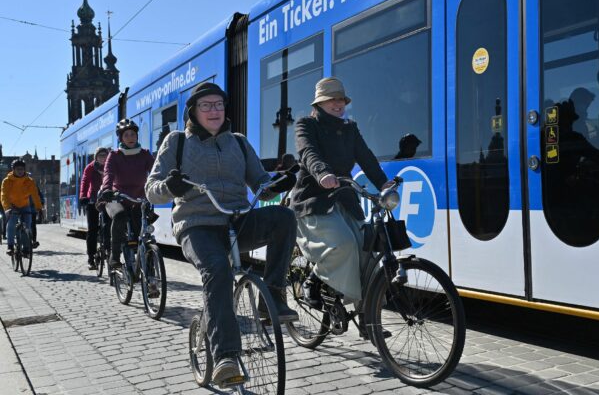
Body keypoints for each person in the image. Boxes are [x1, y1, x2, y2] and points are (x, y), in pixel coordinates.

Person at [145, 81, 298, 386]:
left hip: (237, 220)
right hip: (196, 225)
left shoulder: (238, 143)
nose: (214, 111)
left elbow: (259, 182)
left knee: (284, 217)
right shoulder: (176, 143)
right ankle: (226, 357)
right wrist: (170, 187)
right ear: (194, 111)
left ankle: (273, 298)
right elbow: (152, 191)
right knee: (217, 269)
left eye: (219, 105)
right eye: (206, 105)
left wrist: (277, 182)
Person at [290, 77, 393, 338]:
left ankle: (371, 322)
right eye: (332, 99)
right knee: (343, 244)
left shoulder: (350, 128)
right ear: (320, 102)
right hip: (313, 199)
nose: (338, 104)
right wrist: (322, 173)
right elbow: (308, 152)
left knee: (369, 251)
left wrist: (383, 184)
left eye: (341, 99)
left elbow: (366, 158)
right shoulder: (306, 124)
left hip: (345, 199)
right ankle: (315, 280)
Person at [99, 119, 154, 269]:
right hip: (117, 197)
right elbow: (108, 173)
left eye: (133, 134)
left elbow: (156, 171)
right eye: (126, 135)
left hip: (138, 198)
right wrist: (107, 190)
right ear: (121, 138)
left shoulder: (144, 154)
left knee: (143, 231)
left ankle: (148, 266)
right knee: (120, 216)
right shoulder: (114, 155)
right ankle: (114, 256)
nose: (130, 138)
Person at [1, 159, 42, 255]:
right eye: (18, 169)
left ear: (24, 169)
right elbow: (3, 195)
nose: (20, 171)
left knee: (27, 226)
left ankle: (25, 247)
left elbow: (35, 195)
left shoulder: (29, 181)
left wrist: (39, 208)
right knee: (11, 224)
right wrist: (7, 208)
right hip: (12, 206)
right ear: (13, 170)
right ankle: (10, 246)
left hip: (25, 205)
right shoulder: (6, 181)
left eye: (22, 169)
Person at [79, 147, 110, 270]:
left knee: (109, 226)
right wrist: (83, 196)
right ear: (96, 157)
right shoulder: (90, 167)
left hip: (107, 199)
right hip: (93, 200)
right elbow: (85, 181)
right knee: (92, 229)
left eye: (105, 155)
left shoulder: (110, 165)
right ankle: (91, 257)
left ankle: (110, 251)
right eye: (100, 156)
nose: (103, 158)